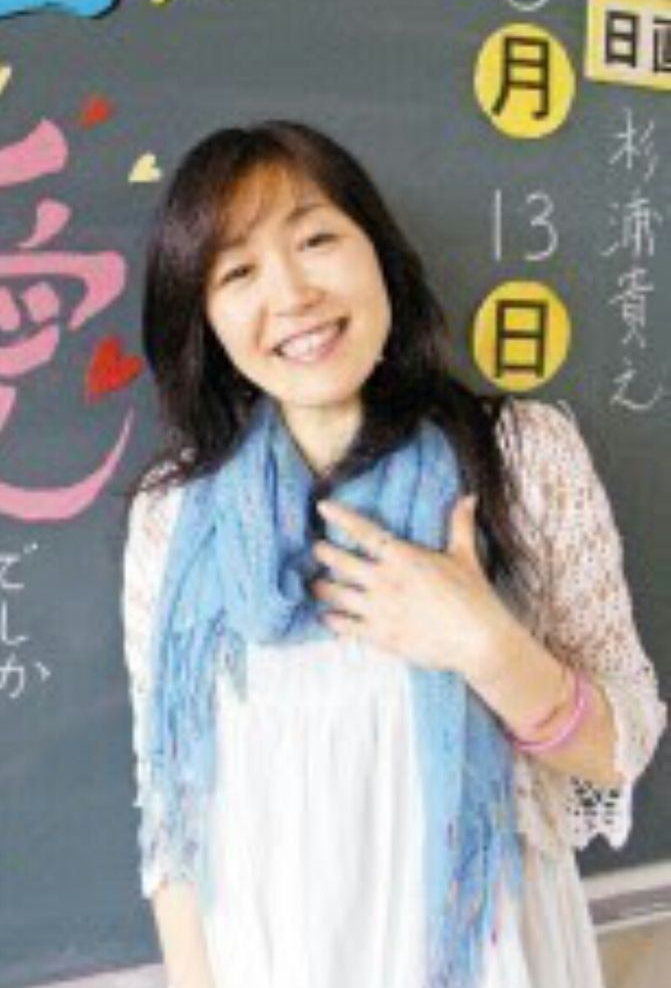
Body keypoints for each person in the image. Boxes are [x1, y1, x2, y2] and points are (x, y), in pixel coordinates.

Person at [121, 118, 666, 988]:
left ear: (376, 251)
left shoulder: (522, 456)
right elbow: (171, 810)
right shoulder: (175, 518)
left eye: (315, 240)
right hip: (275, 959)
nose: (291, 293)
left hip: (490, 954)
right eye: (237, 272)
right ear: (205, 318)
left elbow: (617, 750)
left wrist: (485, 646)